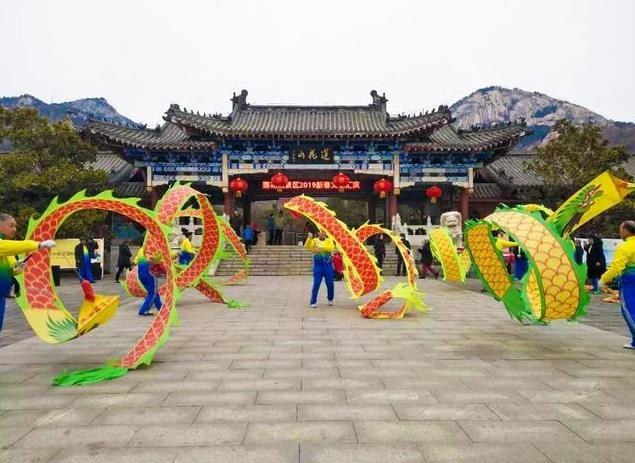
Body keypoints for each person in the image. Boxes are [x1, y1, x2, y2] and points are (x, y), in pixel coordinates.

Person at [0, 213, 56, 332]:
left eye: (15, 226)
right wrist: (38, 244)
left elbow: (11, 270)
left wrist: (18, 267)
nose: (14, 229)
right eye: (11, 226)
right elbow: (13, 246)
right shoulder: (4, 244)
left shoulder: (6, 246)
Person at [600, 221, 635, 349]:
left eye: (621, 230)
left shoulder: (625, 247)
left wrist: (603, 280)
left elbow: (616, 267)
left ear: (626, 230)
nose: (620, 232)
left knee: (629, 310)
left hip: (630, 280)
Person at [305, 231, 335, 308]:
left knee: (330, 284)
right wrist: (309, 238)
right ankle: (313, 301)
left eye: (324, 232)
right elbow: (307, 246)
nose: (323, 234)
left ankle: (330, 298)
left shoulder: (329, 240)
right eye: (322, 232)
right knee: (316, 284)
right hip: (318, 266)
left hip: (328, 266)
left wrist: (320, 248)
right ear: (318, 233)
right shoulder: (314, 240)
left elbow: (330, 248)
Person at [134, 246, 162, 316]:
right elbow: (156, 260)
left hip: (141, 274)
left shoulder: (141, 249)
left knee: (154, 293)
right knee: (152, 294)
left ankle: (161, 309)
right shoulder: (152, 248)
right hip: (149, 274)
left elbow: (135, 261)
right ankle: (143, 310)